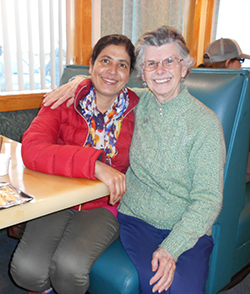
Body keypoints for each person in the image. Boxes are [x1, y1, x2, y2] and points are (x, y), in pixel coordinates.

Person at [43, 26, 226, 294]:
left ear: (184, 68)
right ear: (143, 73)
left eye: (169, 61)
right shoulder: (134, 103)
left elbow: (209, 200)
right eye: (151, 63)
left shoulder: (205, 124)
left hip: (188, 228)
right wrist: (78, 82)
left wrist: (171, 248)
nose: (160, 70)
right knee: (159, 287)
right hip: (137, 220)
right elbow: (104, 82)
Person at [10, 34, 139, 294]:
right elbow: (33, 149)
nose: (112, 71)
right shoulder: (63, 100)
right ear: (91, 65)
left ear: (129, 74)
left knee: (69, 268)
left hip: (106, 205)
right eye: (105, 61)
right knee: (26, 271)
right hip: (59, 197)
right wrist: (93, 165)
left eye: (122, 65)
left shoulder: (138, 110)